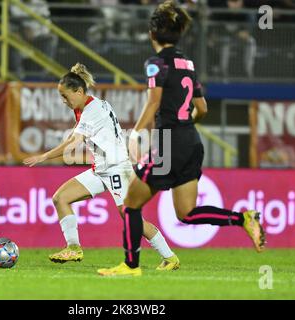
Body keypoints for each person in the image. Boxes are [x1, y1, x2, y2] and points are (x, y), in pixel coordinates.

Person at [98, 0, 266, 277]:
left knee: (130, 204)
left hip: (168, 143)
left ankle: (130, 266)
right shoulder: (187, 63)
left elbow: (153, 103)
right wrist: (185, 125)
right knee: (186, 213)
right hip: (192, 140)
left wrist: (135, 134)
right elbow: (202, 109)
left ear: (153, 33)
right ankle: (243, 218)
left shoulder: (156, 63)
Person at [23, 63, 180, 270]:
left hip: (117, 169)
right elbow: (75, 136)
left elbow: (73, 143)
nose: (64, 101)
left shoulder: (92, 110)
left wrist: (44, 156)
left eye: (65, 96)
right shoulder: (90, 106)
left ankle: (170, 258)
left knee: (130, 217)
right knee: (61, 198)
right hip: (101, 169)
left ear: (79, 91)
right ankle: (74, 248)